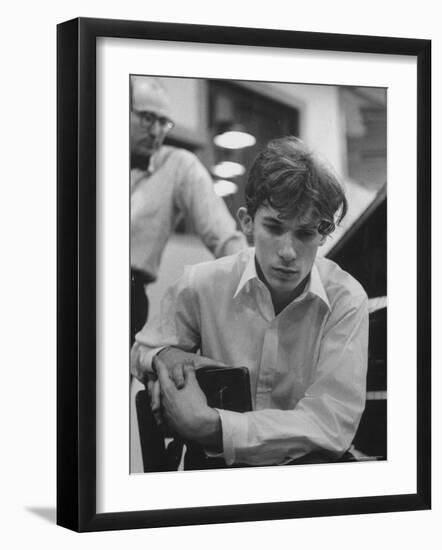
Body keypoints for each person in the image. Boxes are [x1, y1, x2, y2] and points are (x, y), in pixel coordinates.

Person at [131, 136, 369, 468]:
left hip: (308, 469)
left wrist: (214, 426)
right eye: (274, 227)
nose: (288, 252)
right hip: (219, 468)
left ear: (323, 233)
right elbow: (140, 350)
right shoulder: (201, 283)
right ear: (247, 221)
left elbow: (330, 424)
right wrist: (164, 355)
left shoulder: (346, 298)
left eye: (305, 234)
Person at [130, 76, 247, 342]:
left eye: (163, 122)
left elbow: (223, 234)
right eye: (148, 118)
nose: (157, 131)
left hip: (128, 294)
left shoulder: (178, 164)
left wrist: (252, 276)